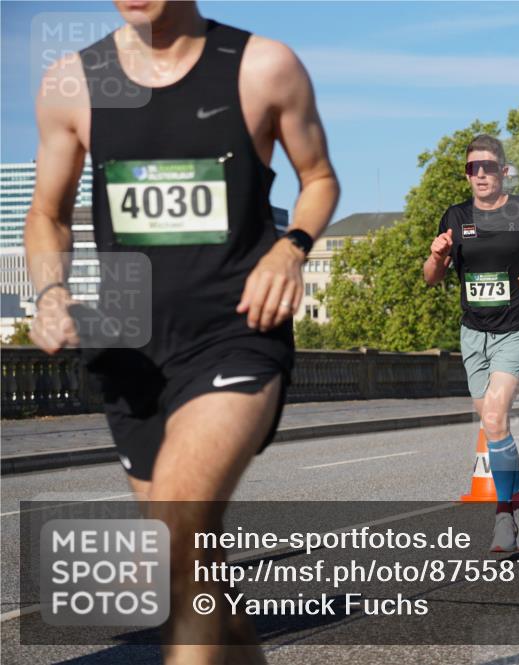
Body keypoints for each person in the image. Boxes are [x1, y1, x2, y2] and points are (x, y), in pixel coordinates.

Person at [25, 2, 339, 660]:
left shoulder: (261, 66)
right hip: (128, 351)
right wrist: (51, 291)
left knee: (174, 528)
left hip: (235, 334)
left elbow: (318, 178)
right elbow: (49, 215)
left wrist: (291, 248)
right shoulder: (74, 83)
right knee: (195, 569)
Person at [423, 134, 519, 551]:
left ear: (503, 171)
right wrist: (436, 256)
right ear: (467, 174)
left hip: (518, 328)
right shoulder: (454, 216)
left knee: (493, 418)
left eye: (490, 166)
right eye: (474, 168)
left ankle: (504, 515)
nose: (482, 174)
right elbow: (431, 278)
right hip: (474, 334)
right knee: (493, 428)